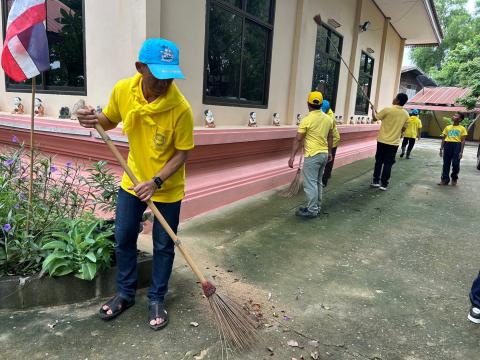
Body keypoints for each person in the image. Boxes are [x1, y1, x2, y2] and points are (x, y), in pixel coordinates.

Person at [76, 38, 194, 330]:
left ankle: (156, 298)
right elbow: (107, 121)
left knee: (163, 244)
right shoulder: (123, 91)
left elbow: (182, 153)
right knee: (124, 235)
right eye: (158, 76)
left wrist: (156, 182)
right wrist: (89, 120)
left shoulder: (181, 108)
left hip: (165, 185)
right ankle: (126, 294)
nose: (165, 83)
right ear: (140, 68)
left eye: (170, 76)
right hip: (133, 179)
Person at [288, 91, 333, 218]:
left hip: (312, 155)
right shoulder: (328, 119)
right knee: (318, 182)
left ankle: (312, 210)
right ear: (320, 104)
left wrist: (292, 157)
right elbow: (331, 136)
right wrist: (329, 152)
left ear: (308, 104)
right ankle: (316, 206)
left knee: (310, 184)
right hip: (323, 154)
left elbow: (297, 139)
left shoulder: (306, 120)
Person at [370, 93, 409, 191]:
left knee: (379, 161)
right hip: (394, 143)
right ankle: (384, 184)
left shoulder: (387, 110)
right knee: (388, 163)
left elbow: (375, 118)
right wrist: (398, 134)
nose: (393, 98)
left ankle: (375, 181)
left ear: (398, 100)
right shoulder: (406, 114)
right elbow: (404, 128)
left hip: (382, 140)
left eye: (395, 97)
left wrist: (372, 110)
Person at [438, 112, 467, 186]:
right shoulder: (448, 127)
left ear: (460, 119)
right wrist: (441, 149)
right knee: (446, 163)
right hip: (447, 145)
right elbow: (443, 138)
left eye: (456, 116)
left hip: (457, 145)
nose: (453, 116)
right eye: (454, 115)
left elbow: (463, 141)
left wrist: (461, 152)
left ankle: (454, 178)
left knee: (455, 163)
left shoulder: (462, 128)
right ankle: (445, 179)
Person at [320, 100, 340, 187]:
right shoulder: (326, 113)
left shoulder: (330, 118)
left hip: (333, 140)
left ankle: (324, 181)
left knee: (329, 159)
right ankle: (328, 174)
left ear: (327, 109)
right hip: (327, 138)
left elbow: (328, 134)